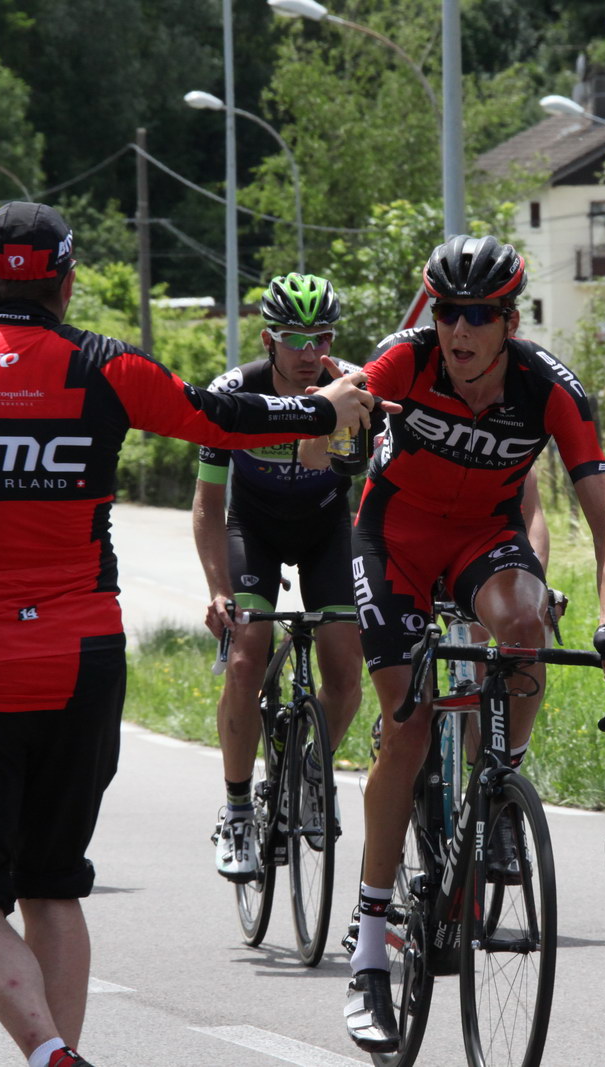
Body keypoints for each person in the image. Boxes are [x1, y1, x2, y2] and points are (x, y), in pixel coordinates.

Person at [0, 201, 379, 1067]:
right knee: (53, 882)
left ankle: (50, 1049)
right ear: (68, 283)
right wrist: (321, 413)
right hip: (84, 660)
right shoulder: (105, 364)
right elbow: (215, 417)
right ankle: (60, 1054)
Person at [342, 234, 605, 1053]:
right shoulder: (407, 358)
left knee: (525, 625)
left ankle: (498, 784)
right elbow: (347, 397)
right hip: (392, 541)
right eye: (446, 312)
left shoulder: (549, 390)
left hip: (480, 541)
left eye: (477, 315)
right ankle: (369, 949)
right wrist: (339, 414)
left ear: (510, 320)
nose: (458, 330)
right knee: (405, 721)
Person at [193, 272, 366, 882]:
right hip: (253, 532)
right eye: (294, 339)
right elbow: (209, 507)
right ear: (268, 340)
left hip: (326, 530)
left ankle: (312, 771)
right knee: (246, 658)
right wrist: (218, 588)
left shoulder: (351, 388)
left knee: (346, 672)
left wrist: (326, 428)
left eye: (320, 337)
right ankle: (238, 808)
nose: (309, 353)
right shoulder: (233, 392)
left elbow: (361, 479)